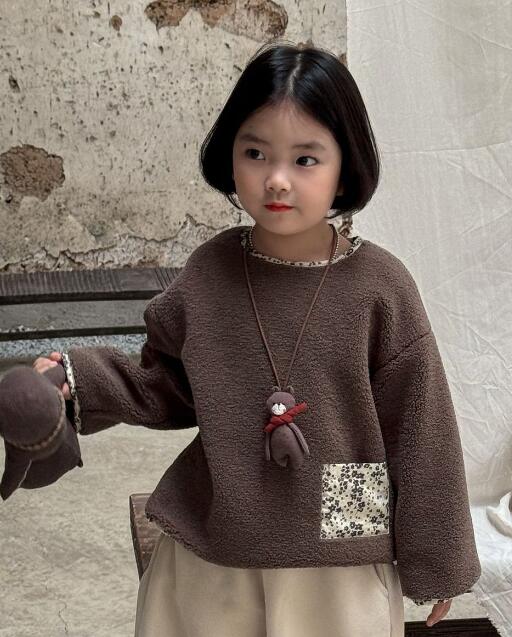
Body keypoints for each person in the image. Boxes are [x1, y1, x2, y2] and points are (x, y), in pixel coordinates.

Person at [27, 40, 481, 636]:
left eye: (306, 159)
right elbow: (167, 385)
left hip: (340, 556)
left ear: (346, 166)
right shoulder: (209, 272)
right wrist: (76, 377)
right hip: (215, 547)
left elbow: (422, 429)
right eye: (255, 152)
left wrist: (438, 561)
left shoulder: (381, 285)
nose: (277, 179)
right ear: (230, 156)